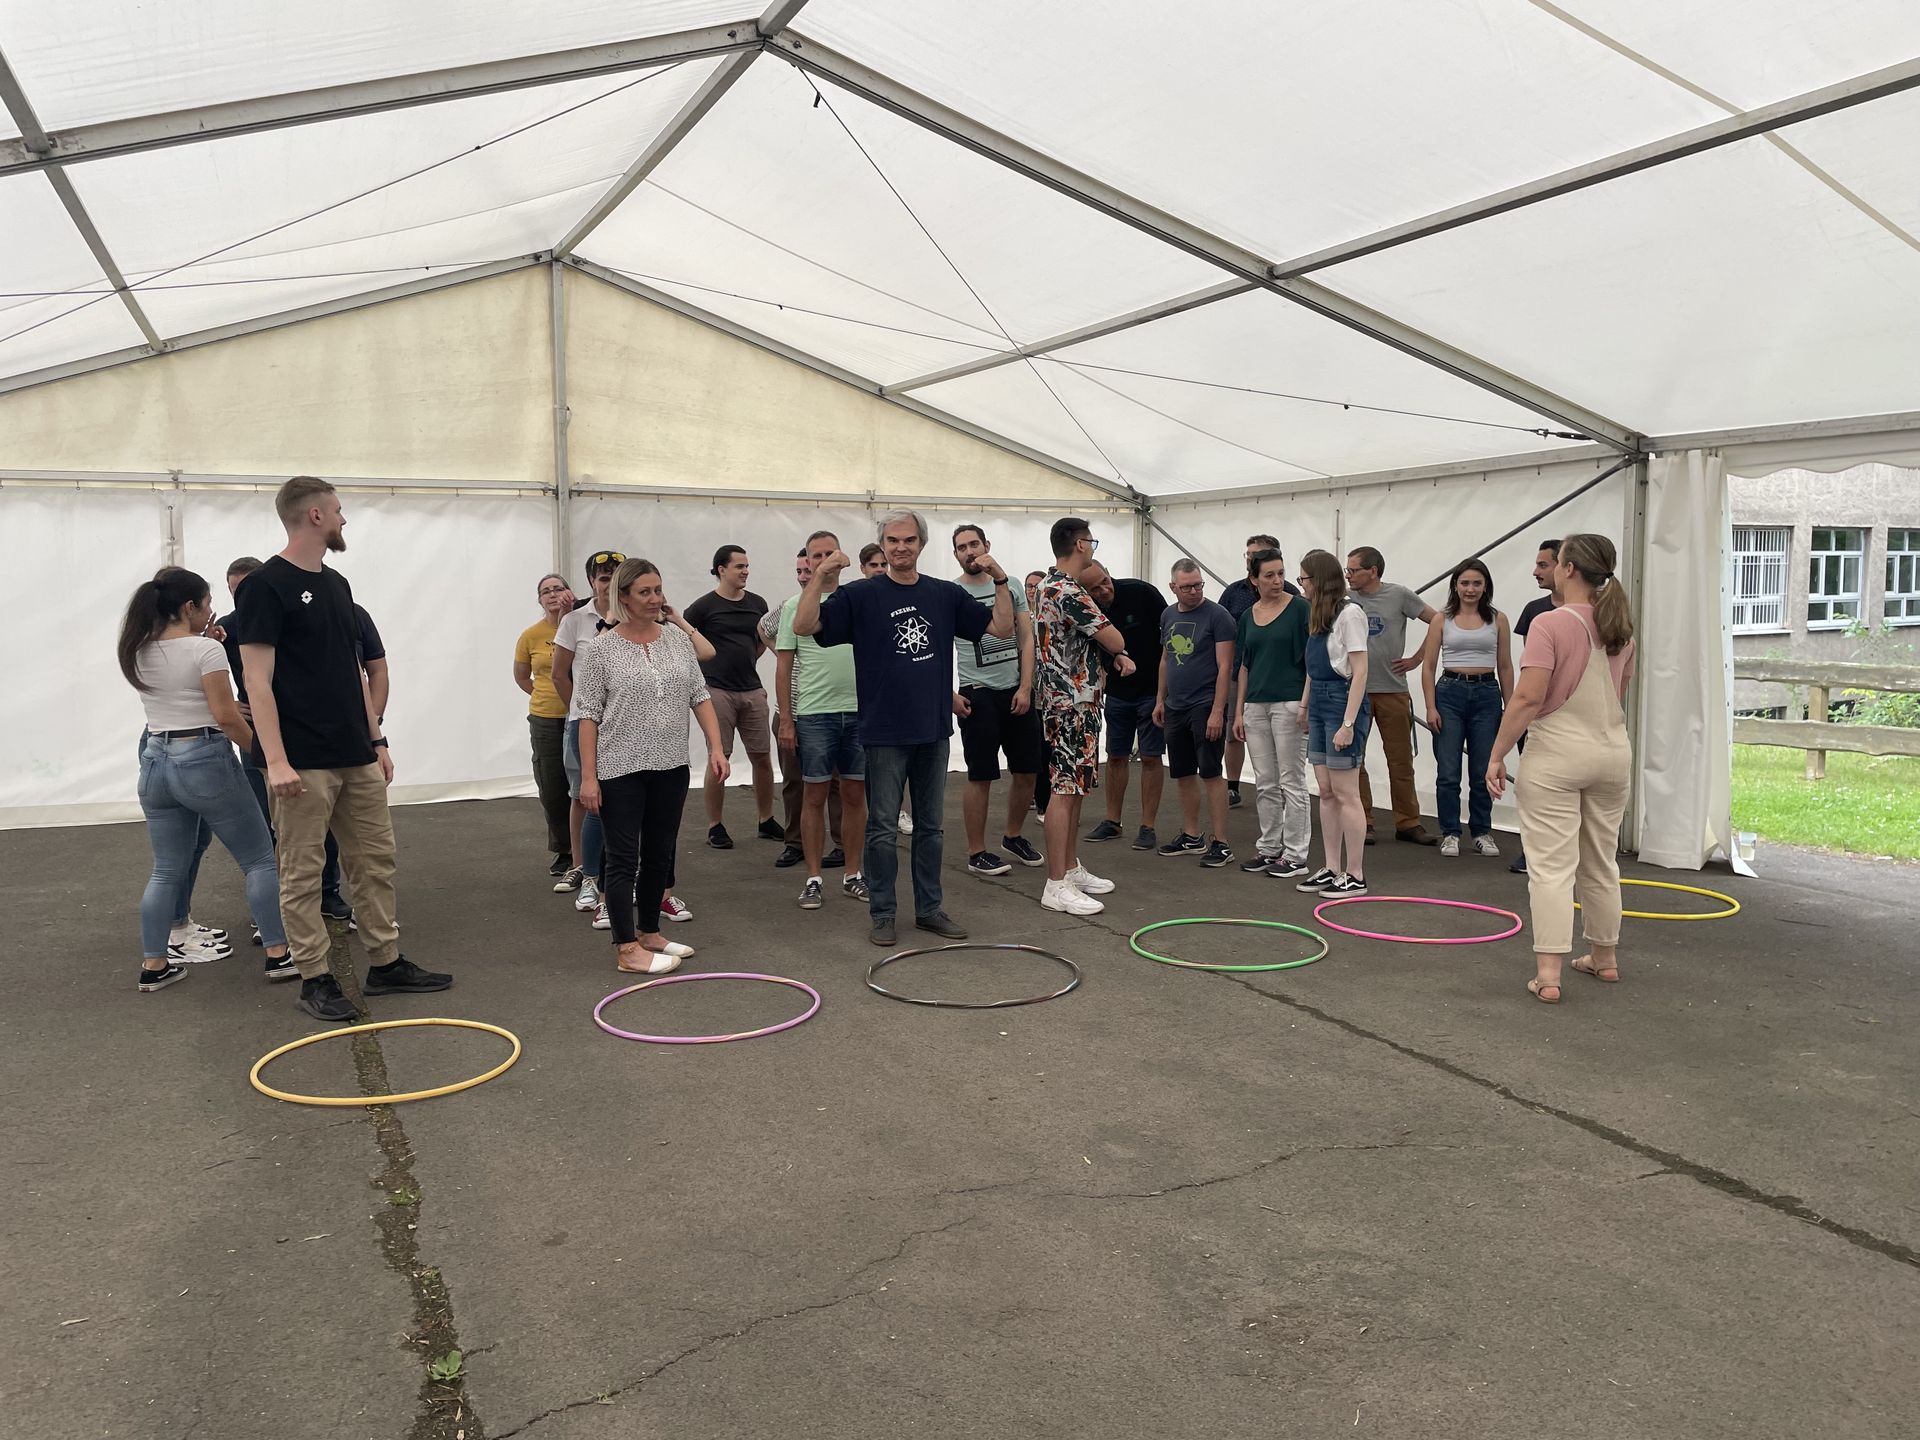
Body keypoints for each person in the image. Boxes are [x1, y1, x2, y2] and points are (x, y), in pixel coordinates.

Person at [236, 476, 450, 1022]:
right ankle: (315, 978)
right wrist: (276, 760)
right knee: (302, 873)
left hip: (355, 753)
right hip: (301, 761)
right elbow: (257, 680)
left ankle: (386, 963)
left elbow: (353, 671)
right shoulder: (264, 586)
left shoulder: (336, 585)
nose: (343, 518)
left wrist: (376, 738)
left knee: (374, 861)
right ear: (314, 515)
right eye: (337, 509)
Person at [794, 510, 1010, 947]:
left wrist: (1001, 580)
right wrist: (821, 576)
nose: (900, 548)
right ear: (883, 545)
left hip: (932, 730)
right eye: (892, 541)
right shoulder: (860, 595)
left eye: (909, 540)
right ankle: (883, 913)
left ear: (921, 544)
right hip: (884, 732)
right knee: (881, 829)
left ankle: (929, 909)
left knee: (931, 828)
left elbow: (1002, 628)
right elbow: (804, 625)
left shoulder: (944, 594)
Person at [118, 567, 294, 992]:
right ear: (189, 607)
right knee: (260, 859)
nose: (212, 610)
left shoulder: (139, 649)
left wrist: (202, 641)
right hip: (204, 758)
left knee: (165, 870)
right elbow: (226, 716)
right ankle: (279, 954)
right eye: (207, 602)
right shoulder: (206, 652)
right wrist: (268, 758)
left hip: (155, 760)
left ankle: (154, 964)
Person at [1487, 534, 1636, 1004]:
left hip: (1556, 754)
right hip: (1612, 752)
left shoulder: (1549, 624)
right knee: (1601, 861)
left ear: (1568, 569)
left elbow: (1528, 698)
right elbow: (1619, 694)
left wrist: (1497, 754)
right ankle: (1604, 958)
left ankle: (1548, 975)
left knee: (1551, 867)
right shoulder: (1621, 628)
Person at [576, 559, 726, 975]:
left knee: (660, 853)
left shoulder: (676, 640)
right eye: (645, 592)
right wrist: (588, 777)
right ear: (623, 597)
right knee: (623, 858)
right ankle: (626, 948)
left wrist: (716, 748)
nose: (655, 598)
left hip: (671, 764)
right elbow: (587, 715)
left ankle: (649, 932)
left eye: (658, 589)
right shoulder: (602, 649)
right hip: (620, 767)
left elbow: (699, 695)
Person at [1033, 518, 1136, 915]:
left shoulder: (1047, 585)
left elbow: (1085, 641)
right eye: (1090, 541)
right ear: (1080, 544)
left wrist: (1113, 655)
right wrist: (1117, 650)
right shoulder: (1068, 590)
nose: (1092, 548)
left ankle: (1069, 866)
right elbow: (1114, 637)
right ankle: (1056, 882)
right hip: (1071, 702)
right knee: (1064, 790)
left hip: (1072, 698)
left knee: (1074, 788)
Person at [776, 531, 870, 911]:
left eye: (830, 552)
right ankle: (813, 878)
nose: (824, 560)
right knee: (813, 795)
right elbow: (783, 667)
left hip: (859, 711)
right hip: (815, 713)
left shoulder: (857, 599)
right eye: (817, 555)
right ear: (808, 562)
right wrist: (787, 719)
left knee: (854, 795)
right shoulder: (795, 606)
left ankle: (853, 873)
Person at [950, 523, 1043, 876]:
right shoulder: (952, 593)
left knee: (1027, 770)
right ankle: (976, 852)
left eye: (974, 544)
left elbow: (1026, 639)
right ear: (955, 555)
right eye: (962, 547)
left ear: (986, 545)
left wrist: (1025, 687)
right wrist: (950, 695)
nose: (970, 551)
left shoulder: (1011, 584)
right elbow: (938, 648)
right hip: (977, 693)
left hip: (1015, 690)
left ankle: (1013, 836)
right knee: (981, 775)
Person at [684, 545, 778, 849]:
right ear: (721, 570)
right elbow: (686, 642)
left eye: (747, 566)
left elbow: (762, 640)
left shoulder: (757, 603)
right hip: (717, 691)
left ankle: (766, 819)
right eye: (739, 566)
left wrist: (747, 661)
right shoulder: (702, 607)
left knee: (762, 757)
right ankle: (715, 826)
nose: (745, 571)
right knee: (719, 757)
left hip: (752, 690)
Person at [1346, 546, 1440, 845]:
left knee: (1400, 760)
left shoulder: (1399, 595)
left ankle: (1408, 822)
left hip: (1392, 690)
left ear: (1373, 571)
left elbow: (1438, 621)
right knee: (1354, 761)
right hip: (1355, 692)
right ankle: (1363, 821)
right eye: (1347, 570)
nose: (1348, 575)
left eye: (1353, 570)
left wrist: (1418, 658)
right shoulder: (1345, 598)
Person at [1419, 558, 1512, 858]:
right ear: (1455, 586)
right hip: (1449, 693)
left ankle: (1482, 831)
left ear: (1486, 587)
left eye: (1476, 583)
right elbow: (1428, 666)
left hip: (1487, 694)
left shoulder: (1498, 619)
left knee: (1483, 769)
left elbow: (1505, 666)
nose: (1470, 589)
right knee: (1448, 771)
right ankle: (1450, 832)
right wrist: (1430, 707)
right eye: (1465, 583)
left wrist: (1510, 707)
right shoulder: (1441, 619)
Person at [1293, 550, 1371, 897]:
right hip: (1321, 701)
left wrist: (1348, 724)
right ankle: (1331, 866)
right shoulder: (1318, 615)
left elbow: (1361, 671)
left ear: (1319, 580)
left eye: (1304, 579)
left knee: (1345, 792)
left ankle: (1355, 873)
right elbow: (1313, 668)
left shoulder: (1350, 614)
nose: (1301, 585)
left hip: (1342, 701)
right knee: (1325, 790)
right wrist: (1305, 705)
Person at [1232, 548, 1311, 879]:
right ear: (1254, 579)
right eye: (1269, 575)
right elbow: (1244, 666)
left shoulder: (1301, 609)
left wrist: (1305, 704)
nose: (1277, 580)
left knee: (1291, 780)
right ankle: (1269, 848)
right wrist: (1239, 711)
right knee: (1265, 781)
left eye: (1281, 573)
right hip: (1256, 705)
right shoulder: (1247, 616)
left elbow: (1313, 660)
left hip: (1290, 703)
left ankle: (1296, 854)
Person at [1152, 559, 1236, 867]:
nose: (1194, 591)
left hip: (1205, 704)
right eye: (1187, 587)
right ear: (1173, 587)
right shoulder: (1168, 615)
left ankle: (1221, 842)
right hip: (1176, 706)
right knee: (1183, 772)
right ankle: (1192, 835)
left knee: (1211, 773)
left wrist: (1217, 711)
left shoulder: (1218, 616)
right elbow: (1165, 659)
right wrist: (1160, 700)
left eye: (1198, 585)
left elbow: (1225, 667)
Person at [552, 550, 622, 915]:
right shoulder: (574, 621)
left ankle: (621, 872)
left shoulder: (636, 618)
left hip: (625, 724)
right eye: (603, 577)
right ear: (592, 581)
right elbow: (559, 674)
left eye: (616, 576)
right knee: (585, 797)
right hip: (585, 724)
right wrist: (580, 712)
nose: (609, 584)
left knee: (625, 798)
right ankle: (586, 871)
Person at [1081, 561, 1167, 851]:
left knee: (1151, 757)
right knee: (1116, 755)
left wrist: (1164, 691)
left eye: (1105, 581)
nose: (1104, 590)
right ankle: (1112, 821)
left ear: (1109, 572)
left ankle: (1148, 826)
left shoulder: (1142, 592)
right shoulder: (1086, 608)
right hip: (1117, 693)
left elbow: (1168, 635)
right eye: (1095, 589)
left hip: (1151, 690)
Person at [768, 544, 843, 871]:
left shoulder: (845, 601)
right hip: (796, 709)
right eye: (799, 570)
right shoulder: (790, 605)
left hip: (833, 710)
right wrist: (784, 653)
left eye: (807, 570)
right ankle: (795, 843)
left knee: (839, 783)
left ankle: (842, 844)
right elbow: (763, 629)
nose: (803, 576)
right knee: (796, 782)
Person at [1218, 534, 1296, 807]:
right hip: (1239, 671)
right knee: (1234, 731)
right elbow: (1221, 629)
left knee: (1279, 736)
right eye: (1248, 554)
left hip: (1278, 678)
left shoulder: (1293, 596)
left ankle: (1284, 789)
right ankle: (1232, 786)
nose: (1250, 558)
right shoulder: (1233, 592)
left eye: (1255, 554)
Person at [1506, 538, 1563, 875]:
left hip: (1573, 717)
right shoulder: (1535, 611)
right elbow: (1533, 667)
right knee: (1534, 785)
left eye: (1543, 565)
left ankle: (1570, 853)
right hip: (1539, 714)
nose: (1535, 571)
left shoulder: (1598, 610)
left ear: (1565, 567)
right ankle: (1533, 851)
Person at [514, 572, 576, 877]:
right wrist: (544, 695)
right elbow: (521, 676)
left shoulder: (581, 625)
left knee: (584, 786)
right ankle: (564, 850)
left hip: (580, 717)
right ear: (540, 600)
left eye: (558, 588)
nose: (553, 594)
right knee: (552, 786)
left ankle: (590, 847)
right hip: (546, 719)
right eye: (546, 591)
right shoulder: (530, 635)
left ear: (569, 593)